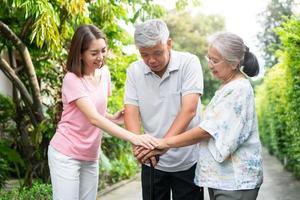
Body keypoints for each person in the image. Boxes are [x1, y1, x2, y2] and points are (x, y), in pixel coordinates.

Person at [144, 32, 264, 200]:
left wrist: (164, 143)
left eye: (215, 60)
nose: (209, 65)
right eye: (209, 58)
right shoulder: (227, 87)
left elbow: (206, 131)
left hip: (236, 181)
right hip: (223, 180)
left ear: (234, 63)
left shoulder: (238, 90)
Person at [48, 24, 159, 200]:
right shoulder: (72, 79)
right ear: (80, 54)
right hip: (66, 153)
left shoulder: (104, 73)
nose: (100, 57)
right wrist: (135, 138)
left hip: (90, 154)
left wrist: (114, 118)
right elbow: (93, 118)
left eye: (103, 50)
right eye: (94, 53)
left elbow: (97, 113)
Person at [124, 19, 204, 200]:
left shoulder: (189, 63)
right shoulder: (134, 71)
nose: (151, 60)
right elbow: (131, 112)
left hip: (188, 160)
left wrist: (163, 145)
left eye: (157, 53)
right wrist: (138, 146)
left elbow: (189, 110)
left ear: (169, 44)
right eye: (144, 55)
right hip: (151, 160)